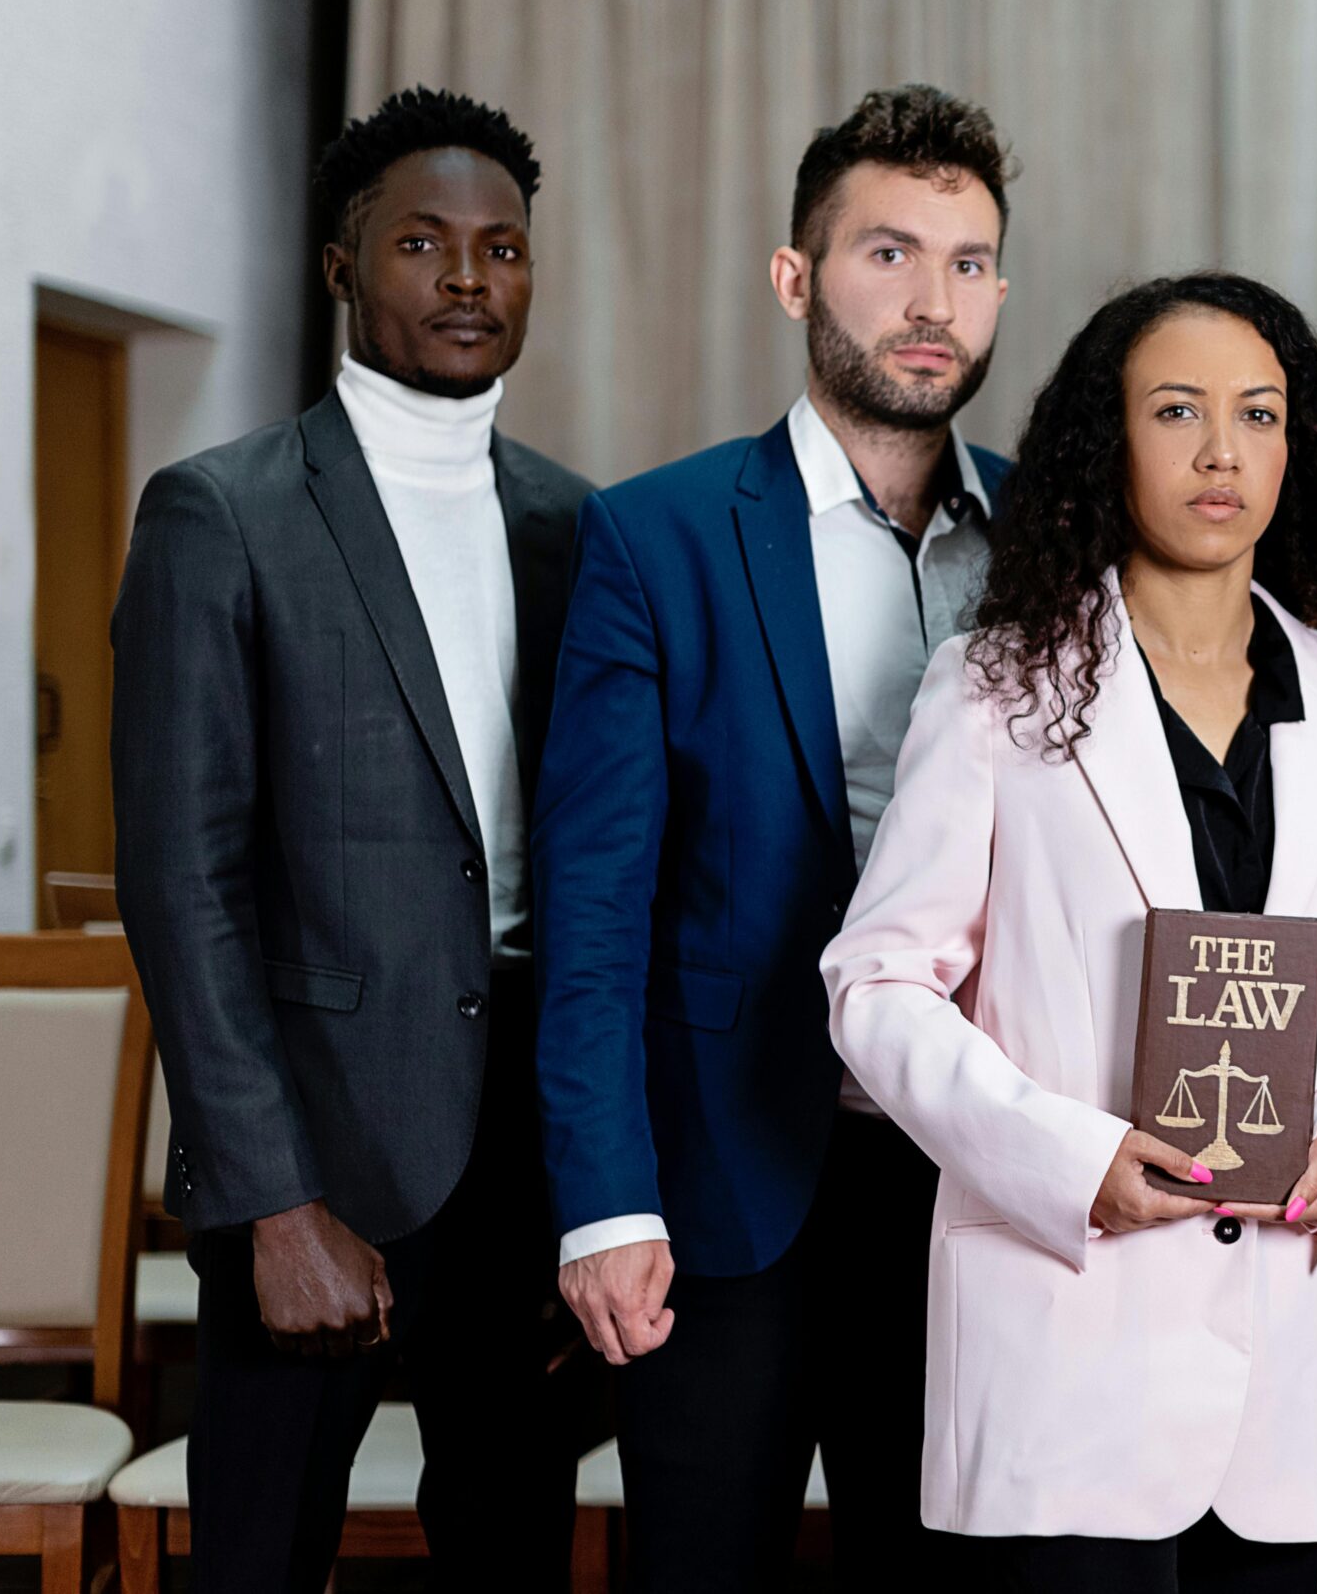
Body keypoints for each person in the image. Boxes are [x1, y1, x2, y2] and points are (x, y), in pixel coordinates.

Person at [820, 272, 1317, 1593]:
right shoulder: (995, 688)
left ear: (1302, 446)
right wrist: (1071, 1157)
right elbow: (876, 982)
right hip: (1068, 1349)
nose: (1223, 450)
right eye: (1178, 411)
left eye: (1259, 413)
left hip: (1281, 1370)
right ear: (1107, 444)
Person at [532, 85, 1015, 1590]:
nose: (934, 302)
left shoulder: (1051, 542)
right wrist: (604, 1202)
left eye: (971, 260)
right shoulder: (655, 536)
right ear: (795, 278)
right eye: (889, 254)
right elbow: (595, 906)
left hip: (973, 1179)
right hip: (725, 1181)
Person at [110, 87, 591, 1590]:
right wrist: (268, 1198)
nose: (467, 278)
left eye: (502, 248)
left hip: (528, 1151)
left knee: (512, 1553)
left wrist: (601, 1182)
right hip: (314, 1156)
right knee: (259, 1562)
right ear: (341, 263)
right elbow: (182, 884)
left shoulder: (580, 526)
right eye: (424, 242)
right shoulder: (222, 514)